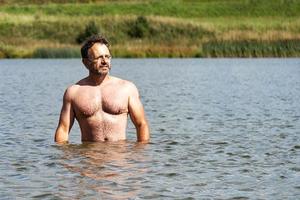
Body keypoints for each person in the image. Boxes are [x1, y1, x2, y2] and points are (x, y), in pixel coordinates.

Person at [54, 35, 150, 143]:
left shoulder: (127, 88)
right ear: (85, 62)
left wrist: (140, 154)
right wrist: (62, 158)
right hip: (89, 157)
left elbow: (141, 124)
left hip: (119, 156)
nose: (105, 61)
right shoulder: (73, 92)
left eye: (107, 56)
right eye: (99, 57)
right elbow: (63, 130)